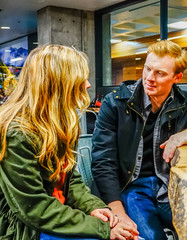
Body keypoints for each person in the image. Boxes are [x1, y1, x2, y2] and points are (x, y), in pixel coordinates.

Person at [91, 40, 187, 240]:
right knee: (151, 237)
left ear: (177, 77)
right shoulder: (115, 103)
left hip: (168, 186)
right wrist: (118, 211)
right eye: (148, 69)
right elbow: (103, 162)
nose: (149, 78)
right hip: (131, 187)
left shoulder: (184, 103)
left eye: (160, 73)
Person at [0, 44, 139, 240]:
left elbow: (69, 178)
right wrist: (102, 229)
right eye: (81, 79)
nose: (88, 85)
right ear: (58, 83)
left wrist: (94, 207)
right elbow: (35, 208)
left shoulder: (60, 123)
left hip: (59, 214)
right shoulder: (17, 133)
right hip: (27, 228)